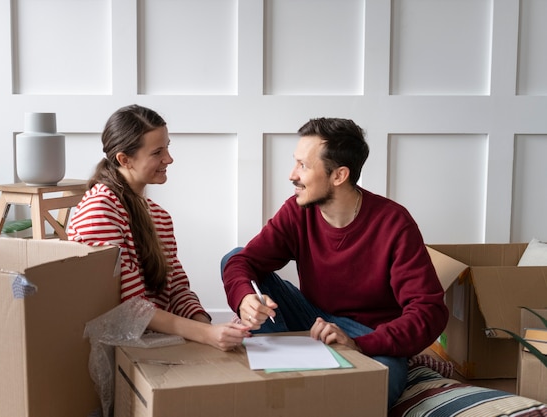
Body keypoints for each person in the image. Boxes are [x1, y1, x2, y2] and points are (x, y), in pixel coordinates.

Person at [220, 117, 448, 407]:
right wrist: (244, 299)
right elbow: (242, 262)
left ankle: (304, 387)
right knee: (235, 259)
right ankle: (285, 371)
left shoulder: (394, 222)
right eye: (295, 163)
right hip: (312, 318)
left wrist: (360, 344)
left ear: (339, 175)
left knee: (381, 384)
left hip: (368, 334)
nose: (292, 175)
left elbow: (429, 311)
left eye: (303, 166)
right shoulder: (297, 211)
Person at [68, 104, 250, 352]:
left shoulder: (159, 217)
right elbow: (130, 307)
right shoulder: (99, 211)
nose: (169, 159)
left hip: (153, 341)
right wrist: (206, 334)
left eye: (168, 147)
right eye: (157, 152)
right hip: (117, 349)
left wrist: (210, 326)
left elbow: (176, 289)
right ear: (124, 159)